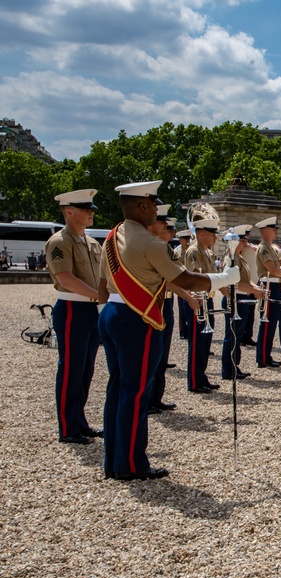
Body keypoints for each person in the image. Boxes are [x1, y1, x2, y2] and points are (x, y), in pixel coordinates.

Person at [98, 180, 239, 480]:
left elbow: (101, 286)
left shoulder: (113, 237)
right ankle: (131, 464)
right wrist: (223, 278)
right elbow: (184, 279)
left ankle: (114, 459)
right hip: (136, 317)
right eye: (153, 205)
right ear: (143, 206)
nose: (156, 211)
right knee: (135, 393)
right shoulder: (150, 243)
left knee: (117, 389)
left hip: (111, 312)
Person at [45, 188, 103, 444]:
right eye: (85, 208)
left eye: (91, 208)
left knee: (86, 369)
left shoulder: (91, 242)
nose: (91, 212)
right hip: (72, 309)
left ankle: (79, 421)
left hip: (91, 309)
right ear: (69, 211)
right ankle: (68, 427)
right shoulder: (60, 241)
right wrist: (97, 296)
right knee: (71, 369)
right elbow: (65, 278)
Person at [148, 210, 192, 414]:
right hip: (153, 303)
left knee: (162, 354)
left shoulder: (166, 249)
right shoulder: (153, 248)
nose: (170, 231)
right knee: (152, 354)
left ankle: (156, 397)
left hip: (166, 302)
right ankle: (148, 398)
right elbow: (171, 280)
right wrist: (188, 296)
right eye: (166, 226)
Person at [220, 226, 264, 380]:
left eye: (246, 240)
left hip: (242, 298)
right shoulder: (231, 258)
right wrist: (254, 291)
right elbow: (234, 282)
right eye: (243, 240)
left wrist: (255, 287)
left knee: (237, 336)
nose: (245, 243)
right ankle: (228, 369)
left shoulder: (240, 257)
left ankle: (234, 366)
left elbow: (246, 278)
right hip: (235, 299)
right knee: (232, 335)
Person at [254, 217, 281, 368]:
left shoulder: (271, 248)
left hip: (275, 286)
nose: (276, 232)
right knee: (267, 322)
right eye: (274, 229)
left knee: (272, 323)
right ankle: (262, 357)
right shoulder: (264, 248)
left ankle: (266, 355)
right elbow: (272, 270)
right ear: (266, 231)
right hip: (268, 285)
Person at [185, 216, 222, 393]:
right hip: (197, 299)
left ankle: (202, 376)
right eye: (212, 234)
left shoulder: (207, 252)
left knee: (206, 341)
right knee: (197, 341)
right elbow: (194, 277)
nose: (215, 237)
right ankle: (194, 380)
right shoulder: (193, 251)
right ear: (201, 234)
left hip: (207, 298)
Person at [174, 230, 193, 340]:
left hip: (191, 282)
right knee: (182, 309)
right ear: (180, 240)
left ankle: (190, 328)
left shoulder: (192, 251)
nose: (187, 240)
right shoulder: (177, 252)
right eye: (185, 238)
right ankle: (183, 330)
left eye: (188, 238)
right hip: (181, 283)